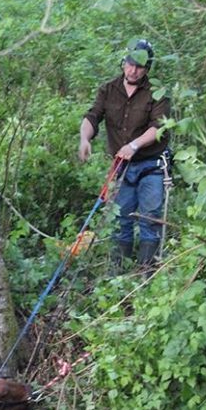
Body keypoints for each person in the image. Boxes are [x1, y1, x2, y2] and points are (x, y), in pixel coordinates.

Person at [78, 39, 171, 269]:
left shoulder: (157, 92)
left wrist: (134, 145)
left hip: (151, 165)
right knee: (121, 219)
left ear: (147, 69)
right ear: (123, 63)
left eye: (139, 67)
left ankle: (146, 273)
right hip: (122, 168)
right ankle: (118, 275)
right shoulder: (108, 89)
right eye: (130, 64)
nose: (133, 70)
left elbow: (159, 127)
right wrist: (84, 139)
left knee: (150, 217)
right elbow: (93, 116)